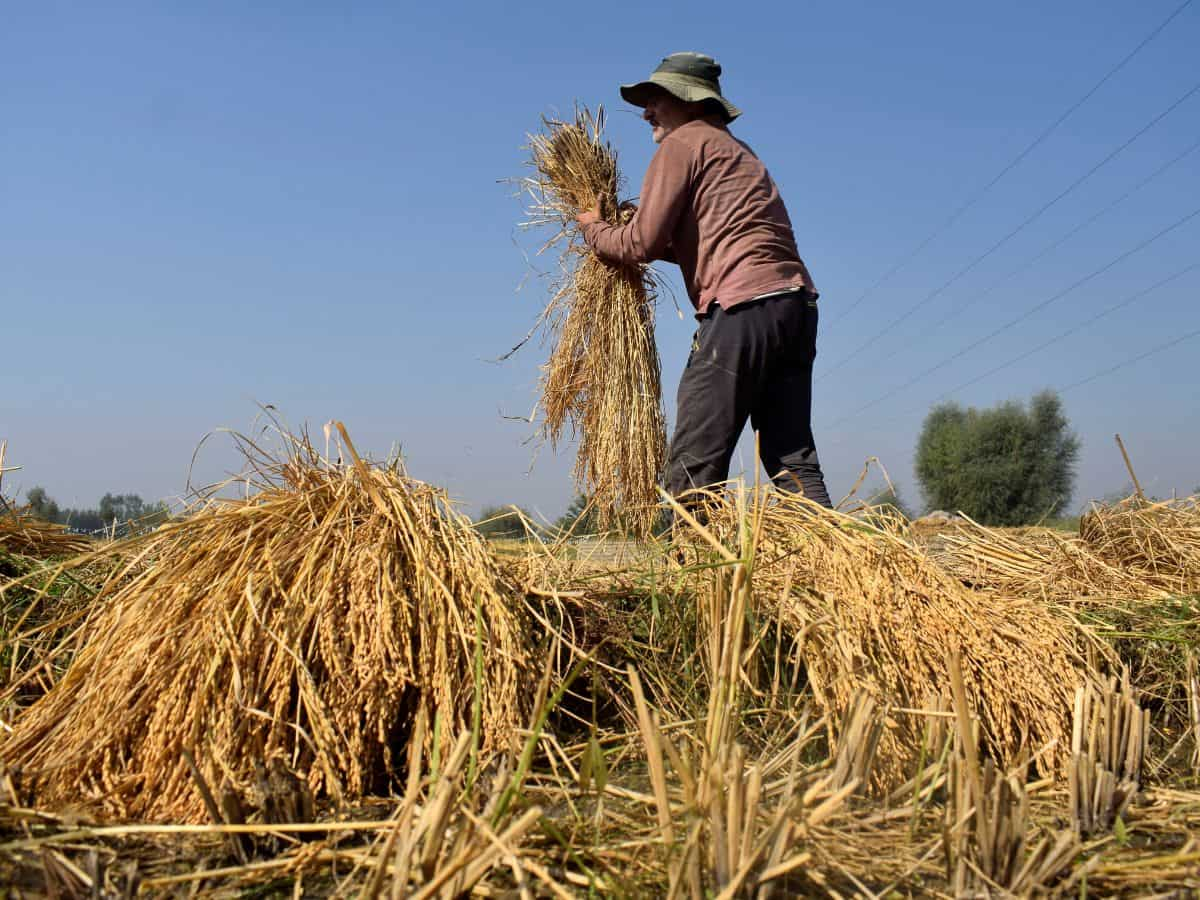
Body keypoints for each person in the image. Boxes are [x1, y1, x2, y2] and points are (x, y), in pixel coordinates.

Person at [576, 51, 833, 508]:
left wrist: (595, 228)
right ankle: (841, 568)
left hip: (742, 310)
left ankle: (684, 571)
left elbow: (639, 245)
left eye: (656, 99)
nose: (646, 111)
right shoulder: (735, 151)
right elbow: (713, 243)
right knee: (791, 452)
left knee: (695, 456)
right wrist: (646, 234)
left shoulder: (682, 144)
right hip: (794, 305)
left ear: (689, 101)